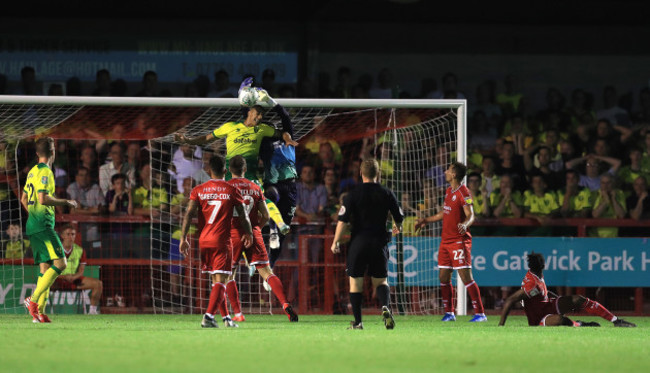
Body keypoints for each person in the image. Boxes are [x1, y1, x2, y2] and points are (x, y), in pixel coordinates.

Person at [179, 154, 253, 328]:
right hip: (222, 240)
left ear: (208, 170)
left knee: (216, 281)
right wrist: (248, 233)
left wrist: (183, 238)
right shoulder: (231, 190)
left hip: (204, 240)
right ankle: (208, 317)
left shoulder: (198, 190)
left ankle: (226, 319)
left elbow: (188, 214)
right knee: (222, 280)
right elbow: (243, 215)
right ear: (225, 171)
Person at [331, 158, 403, 330]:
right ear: (378, 174)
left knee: (355, 283)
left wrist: (336, 242)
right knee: (381, 281)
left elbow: (342, 221)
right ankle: (385, 306)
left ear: (360, 173)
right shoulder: (387, 193)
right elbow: (399, 217)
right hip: (379, 242)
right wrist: (397, 226)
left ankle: (358, 322)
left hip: (359, 242)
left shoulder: (352, 195)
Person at [225, 156, 298, 322]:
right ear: (245, 169)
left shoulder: (226, 187)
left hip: (233, 234)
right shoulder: (255, 187)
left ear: (230, 169)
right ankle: (285, 304)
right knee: (267, 272)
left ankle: (238, 314)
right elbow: (265, 214)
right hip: (254, 233)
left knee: (230, 275)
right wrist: (256, 227)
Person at [415, 161, 487, 322]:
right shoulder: (449, 191)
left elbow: (471, 215)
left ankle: (480, 313)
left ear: (454, 174)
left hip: (459, 241)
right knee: (443, 277)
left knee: (466, 277)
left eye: (448, 169)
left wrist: (465, 224)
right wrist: (426, 220)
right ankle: (449, 313)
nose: (445, 171)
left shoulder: (464, 192)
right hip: (445, 241)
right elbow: (444, 213)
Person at [21, 137, 79, 323]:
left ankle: (39, 314)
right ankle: (34, 300)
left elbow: (23, 199)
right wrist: (65, 201)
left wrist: (34, 216)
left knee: (45, 268)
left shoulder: (32, 172)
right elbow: (43, 199)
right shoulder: (46, 172)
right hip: (43, 226)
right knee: (61, 264)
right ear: (53, 152)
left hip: (32, 225)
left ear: (37, 153)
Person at [499, 252, 636, 327]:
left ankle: (616, 320)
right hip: (538, 317)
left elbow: (540, 293)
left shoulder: (536, 274)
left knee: (578, 299)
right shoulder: (532, 284)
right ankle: (580, 324)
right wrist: (501, 325)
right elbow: (511, 300)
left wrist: (556, 298)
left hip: (548, 305)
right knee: (559, 320)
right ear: (543, 265)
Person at [53, 225, 103, 314]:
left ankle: (92, 312)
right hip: (57, 280)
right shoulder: (55, 250)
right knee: (43, 282)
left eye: (73, 234)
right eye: (68, 234)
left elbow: (81, 271)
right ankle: (39, 311)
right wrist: (64, 276)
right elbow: (49, 271)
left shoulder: (80, 250)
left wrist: (74, 277)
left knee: (98, 284)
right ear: (62, 236)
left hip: (73, 280)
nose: (70, 237)